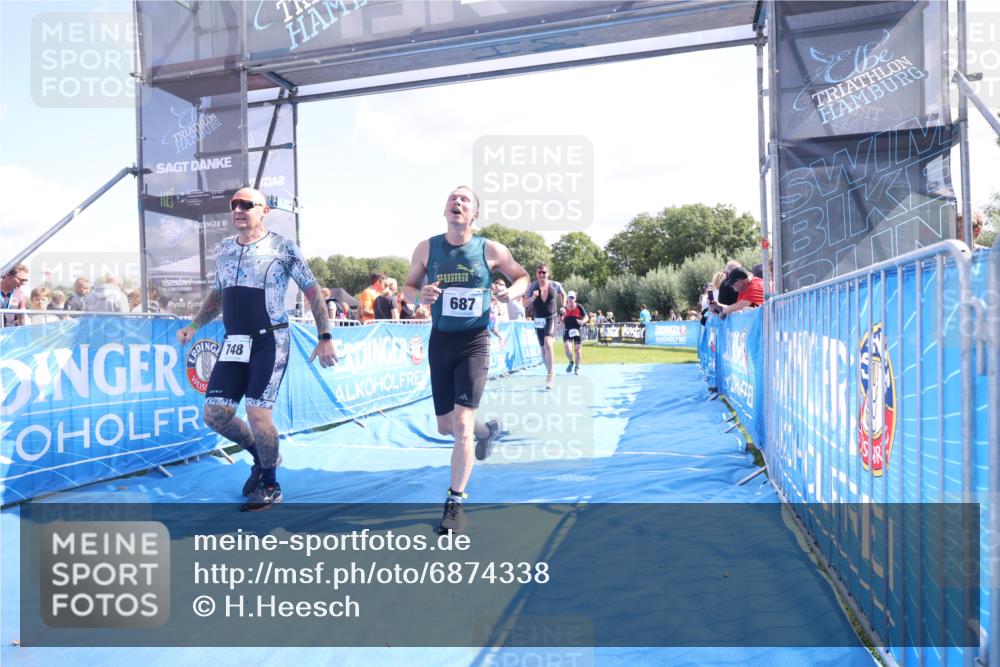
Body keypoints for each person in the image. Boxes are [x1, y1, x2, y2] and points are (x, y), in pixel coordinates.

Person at [175, 187, 338, 511]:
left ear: (264, 211)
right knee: (215, 415)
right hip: (235, 341)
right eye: (234, 204)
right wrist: (194, 325)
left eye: (246, 204)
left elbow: (312, 290)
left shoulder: (283, 247)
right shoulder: (224, 249)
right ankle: (263, 458)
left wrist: (325, 334)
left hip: (270, 340)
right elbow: (218, 295)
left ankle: (270, 484)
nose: (238, 209)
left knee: (258, 413)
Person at [403, 185, 530, 533]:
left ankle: (455, 501)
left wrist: (509, 291)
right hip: (440, 341)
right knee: (448, 426)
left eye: (465, 201)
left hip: (474, 341)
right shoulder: (426, 248)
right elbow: (408, 288)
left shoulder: (491, 249)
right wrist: (421, 295)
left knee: (460, 425)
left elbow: (522, 277)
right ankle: (487, 432)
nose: (457, 203)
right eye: (452, 199)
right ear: (445, 210)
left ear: (474, 214)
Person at [528, 263, 565, 390]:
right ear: (536, 274)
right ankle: (549, 371)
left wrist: (563, 307)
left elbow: (563, 294)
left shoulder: (555, 285)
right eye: (539, 272)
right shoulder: (532, 286)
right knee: (543, 349)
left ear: (548, 273)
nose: (542, 275)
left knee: (548, 343)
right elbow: (524, 302)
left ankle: (550, 374)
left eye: (544, 272)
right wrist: (532, 297)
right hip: (538, 320)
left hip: (551, 318)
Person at [561, 290, 588, 375]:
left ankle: (577, 368)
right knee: (567, 347)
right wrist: (560, 321)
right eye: (570, 297)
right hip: (567, 330)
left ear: (575, 299)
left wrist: (582, 321)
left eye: (573, 298)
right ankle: (571, 362)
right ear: (567, 299)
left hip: (577, 330)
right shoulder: (564, 308)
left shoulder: (579, 307)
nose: (571, 299)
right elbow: (559, 319)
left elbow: (586, 317)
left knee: (577, 349)